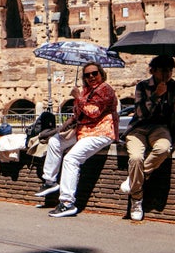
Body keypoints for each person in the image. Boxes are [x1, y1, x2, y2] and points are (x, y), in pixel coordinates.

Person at [39, 61, 120, 217]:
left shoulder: (106, 89)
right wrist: (62, 127)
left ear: (101, 74)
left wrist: (78, 98)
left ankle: (67, 203)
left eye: (94, 73)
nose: (91, 77)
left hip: (101, 132)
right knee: (56, 141)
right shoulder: (86, 91)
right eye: (87, 75)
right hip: (84, 130)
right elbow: (78, 115)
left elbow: (94, 112)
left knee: (71, 159)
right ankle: (49, 181)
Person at [121, 54, 175, 221]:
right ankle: (137, 198)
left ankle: (134, 179)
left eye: (170, 70)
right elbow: (140, 113)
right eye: (163, 70)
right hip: (139, 128)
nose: (167, 74)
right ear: (153, 70)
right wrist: (157, 95)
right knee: (135, 157)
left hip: (160, 128)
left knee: (164, 148)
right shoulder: (142, 86)